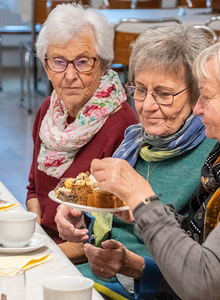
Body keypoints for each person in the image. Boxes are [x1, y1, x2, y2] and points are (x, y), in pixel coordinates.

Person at [88, 24, 220, 299]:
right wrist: (140, 215)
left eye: (207, 97)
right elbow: (200, 258)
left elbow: (203, 283)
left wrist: (143, 200)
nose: (197, 109)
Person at [55, 24, 216, 299]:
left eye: (164, 94)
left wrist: (137, 267)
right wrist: (80, 218)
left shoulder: (212, 159)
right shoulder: (135, 142)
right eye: (139, 90)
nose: (147, 105)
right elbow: (108, 226)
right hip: (95, 280)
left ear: (196, 94)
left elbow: (206, 271)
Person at [26, 3, 138, 264]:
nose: (70, 75)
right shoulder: (47, 113)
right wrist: (35, 239)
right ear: (46, 67)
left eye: (83, 61)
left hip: (84, 259)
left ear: (103, 64)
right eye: (59, 62)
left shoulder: (121, 124)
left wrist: (43, 256)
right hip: (46, 246)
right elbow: (33, 191)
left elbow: (112, 234)